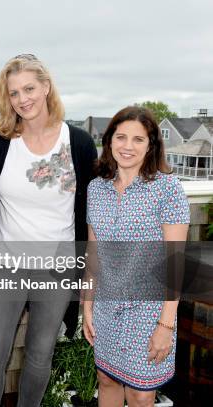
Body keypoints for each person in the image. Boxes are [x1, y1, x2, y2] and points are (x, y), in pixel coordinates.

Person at [0, 54, 97, 407]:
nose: (22, 98)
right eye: (14, 93)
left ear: (46, 87)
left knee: (40, 355)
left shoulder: (78, 143)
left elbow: (90, 210)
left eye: (29, 88)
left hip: (58, 268)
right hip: (6, 265)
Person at [83, 106, 189, 406]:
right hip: (106, 304)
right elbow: (94, 252)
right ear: (110, 141)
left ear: (151, 145)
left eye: (138, 139)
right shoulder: (96, 189)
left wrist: (166, 325)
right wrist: (87, 304)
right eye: (121, 137)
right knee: (107, 379)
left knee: (142, 395)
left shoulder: (167, 188)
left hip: (150, 311)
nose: (127, 146)